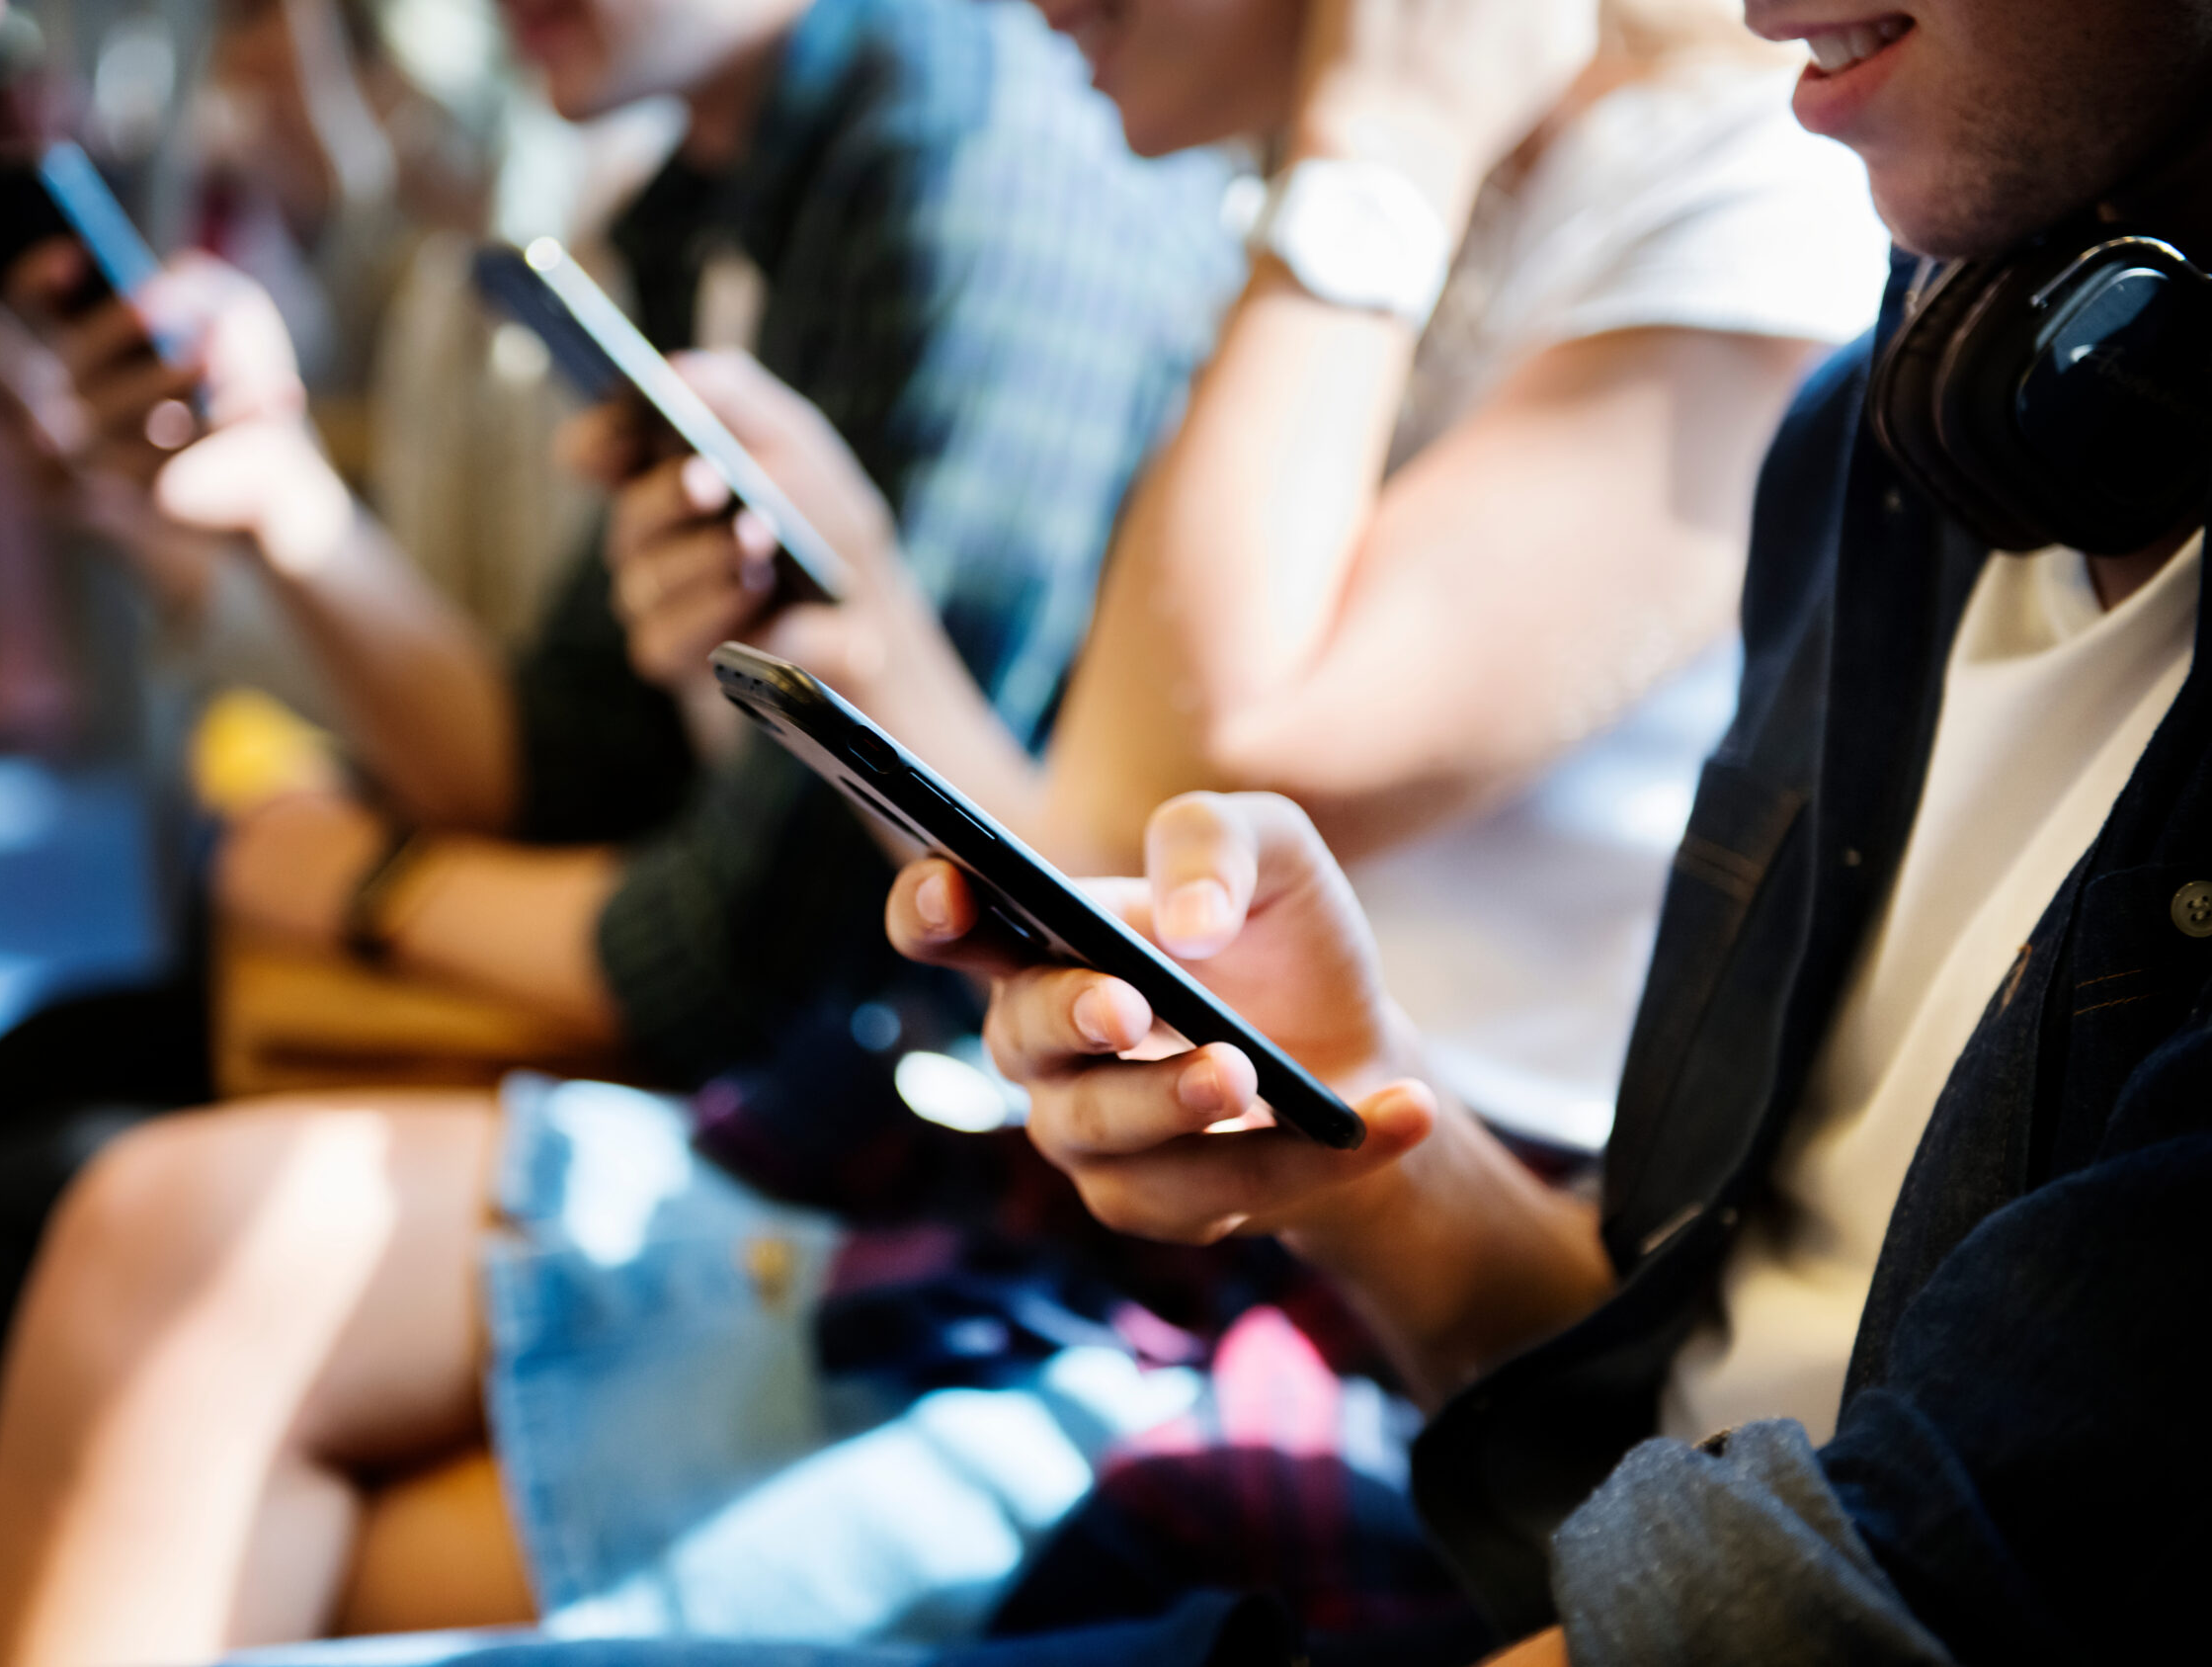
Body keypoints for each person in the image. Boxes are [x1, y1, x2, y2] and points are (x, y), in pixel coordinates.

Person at [0, 0, 1234, 1656]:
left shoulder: (968, 159)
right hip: (859, 1098)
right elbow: (562, 762)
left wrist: (372, 883)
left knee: (83, 1220)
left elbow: (743, 955)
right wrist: (282, 500)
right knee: (68, 1176)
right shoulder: (711, 187)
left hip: (958, 1155)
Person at [888, 0, 2212, 1656]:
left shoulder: (1729, 239)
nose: (1763, 9)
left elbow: (1864, 1598)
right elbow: (1656, 1403)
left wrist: (1372, 152)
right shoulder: (1893, 435)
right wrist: (1369, 1145)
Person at [608, 0, 1888, 1150]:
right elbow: (1111, 872)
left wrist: (1381, 145)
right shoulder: (1336, 194)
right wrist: (856, 620)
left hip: (1442, 1239)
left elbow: (1187, 794)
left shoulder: (1753, 192)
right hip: (1194, 1184)